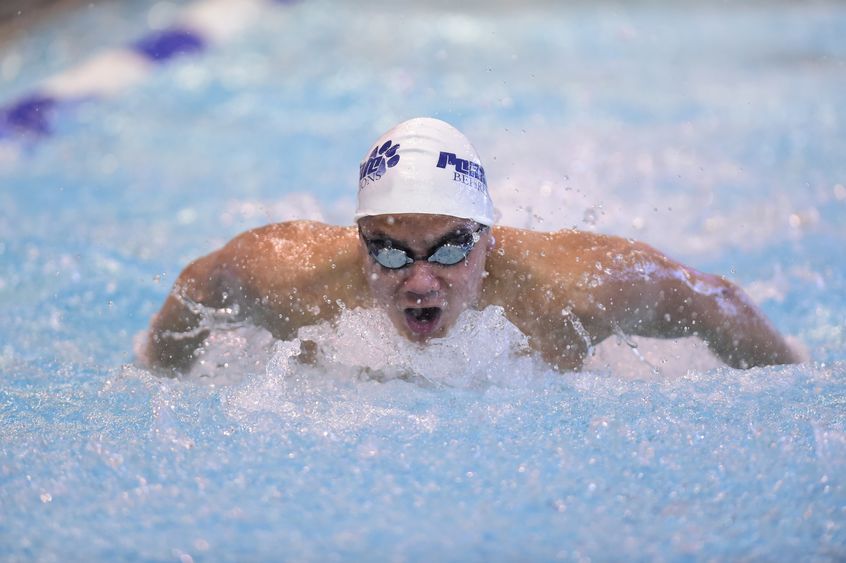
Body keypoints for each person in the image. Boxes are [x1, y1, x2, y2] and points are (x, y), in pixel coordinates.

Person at [143, 117, 800, 373]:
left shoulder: (574, 289)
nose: (420, 280)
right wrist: (156, 376)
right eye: (392, 251)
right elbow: (199, 285)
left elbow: (717, 301)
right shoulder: (292, 277)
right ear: (359, 240)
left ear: (489, 237)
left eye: (450, 249)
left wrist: (796, 382)